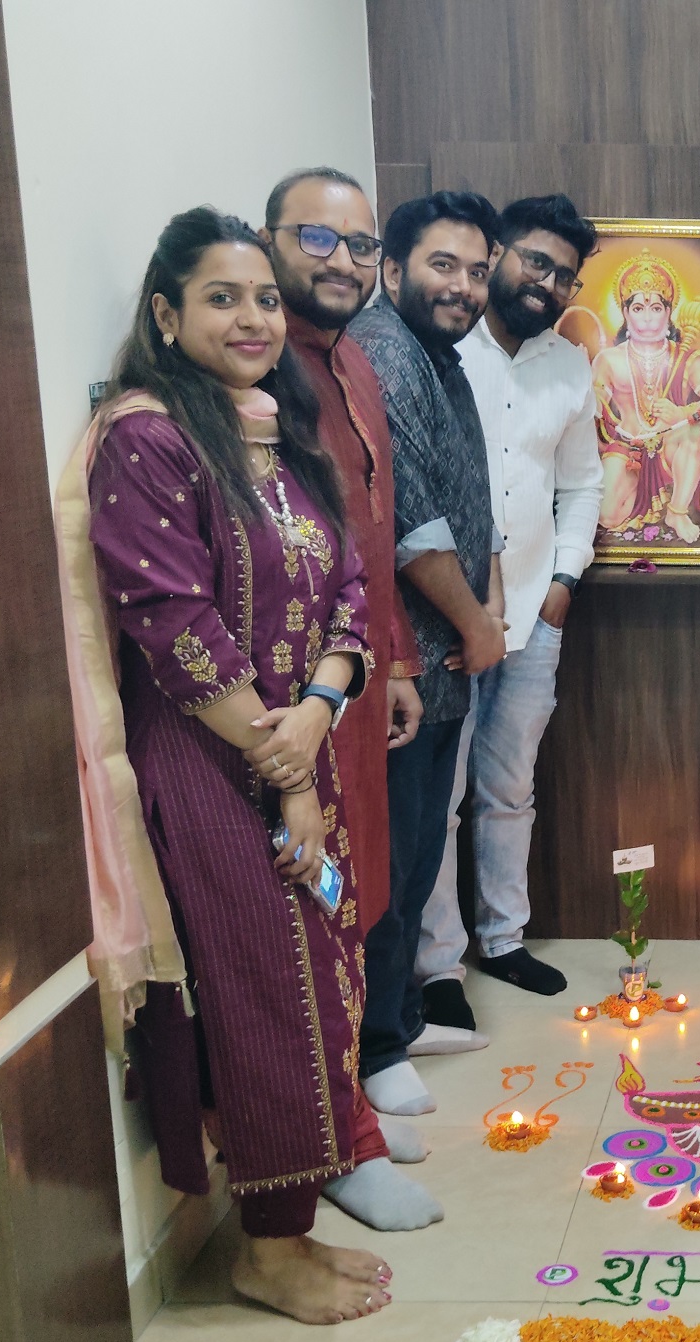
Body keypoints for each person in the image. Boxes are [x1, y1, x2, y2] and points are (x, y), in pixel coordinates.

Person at [58, 207, 394, 1322]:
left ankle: (289, 1223)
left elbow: (347, 588)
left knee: (320, 975)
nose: (251, 318)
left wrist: (320, 710)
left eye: (261, 298)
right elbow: (173, 622)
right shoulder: (149, 440)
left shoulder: (275, 433)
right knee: (263, 990)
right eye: (220, 298)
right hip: (208, 764)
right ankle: (268, 1249)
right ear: (166, 314)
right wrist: (285, 765)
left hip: (292, 746)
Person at [264, 166, 447, 1231]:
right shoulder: (257, 373)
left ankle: (352, 1110)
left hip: (361, 679)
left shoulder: (354, 361)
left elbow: (367, 542)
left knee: (364, 890)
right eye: (318, 239)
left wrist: (400, 660)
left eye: (359, 244)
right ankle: (333, 1139)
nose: (344, 261)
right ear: (270, 241)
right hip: (297, 699)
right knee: (312, 909)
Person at [415, 195, 603, 1018]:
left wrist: (562, 585)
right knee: (439, 795)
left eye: (564, 274)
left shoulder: (568, 366)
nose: (547, 282)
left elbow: (582, 484)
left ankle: (503, 938)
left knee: (509, 786)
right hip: (445, 619)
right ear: (497, 256)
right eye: (535, 261)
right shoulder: (441, 351)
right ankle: (437, 966)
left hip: (533, 616)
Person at [350, 191, 505, 1115]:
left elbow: (471, 495)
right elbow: (412, 523)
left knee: (415, 858)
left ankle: (401, 1019)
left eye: (476, 271)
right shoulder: (382, 353)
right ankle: (375, 1048)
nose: (464, 286)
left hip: (445, 665)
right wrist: (479, 623)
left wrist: (487, 607)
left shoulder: (437, 355)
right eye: (443, 265)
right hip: (405, 667)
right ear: (393, 268)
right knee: (392, 862)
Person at [590, 251, 700, 542]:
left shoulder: (688, 358)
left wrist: (683, 413)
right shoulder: (608, 359)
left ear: (668, 312)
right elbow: (595, 408)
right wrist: (586, 392)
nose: (647, 318)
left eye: (656, 308)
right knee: (607, 515)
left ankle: (677, 511)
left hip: (670, 445)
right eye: (638, 308)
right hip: (627, 447)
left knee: (693, 433)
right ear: (625, 312)